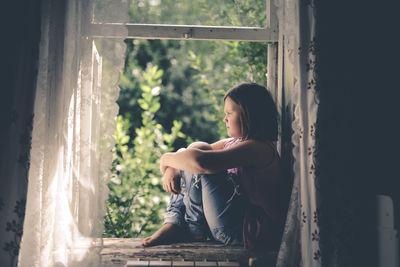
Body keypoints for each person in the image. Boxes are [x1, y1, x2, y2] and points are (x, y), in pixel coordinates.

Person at [142, 82, 290, 250]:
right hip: (230, 223)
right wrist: (174, 167)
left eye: (229, 113)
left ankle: (193, 228)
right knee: (194, 149)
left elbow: (201, 163)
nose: (224, 119)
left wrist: (166, 158)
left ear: (250, 116)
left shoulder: (258, 148)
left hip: (245, 233)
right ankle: (174, 222)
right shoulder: (235, 142)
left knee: (198, 160)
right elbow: (193, 154)